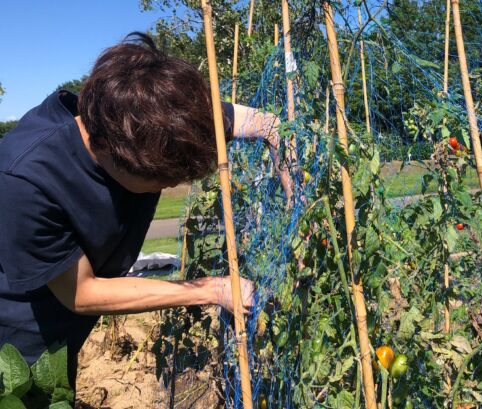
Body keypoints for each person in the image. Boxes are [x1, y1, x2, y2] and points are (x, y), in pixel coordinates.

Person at [0, 33, 292, 387]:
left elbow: (266, 123)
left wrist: (292, 182)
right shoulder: (27, 181)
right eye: (162, 180)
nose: (169, 186)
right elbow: (82, 292)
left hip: (68, 335)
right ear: (112, 150)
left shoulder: (151, 117)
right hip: (19, 342)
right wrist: (209, 289)